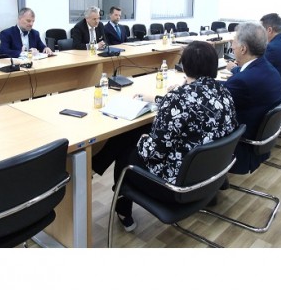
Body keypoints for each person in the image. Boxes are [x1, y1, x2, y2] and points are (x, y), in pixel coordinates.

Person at [91, 41, 238, 232]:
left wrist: (142, 138)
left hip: (176, 185)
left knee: (128, 145)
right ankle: (96, 165)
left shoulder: (179, 99)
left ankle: (121, 206)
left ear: (184, 67)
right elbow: (193, 107)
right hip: (208, 175)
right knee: (135, 134)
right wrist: (165, 99)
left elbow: (154, 153)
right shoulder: (225, 92)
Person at [221, 22, 281, 174]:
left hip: (240, 149)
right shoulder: (269, 69)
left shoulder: (242, 82)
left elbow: (213, 103)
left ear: (243, 49)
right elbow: (240, 80)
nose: (232, 45)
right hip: (262, 142)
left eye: (234, 42)